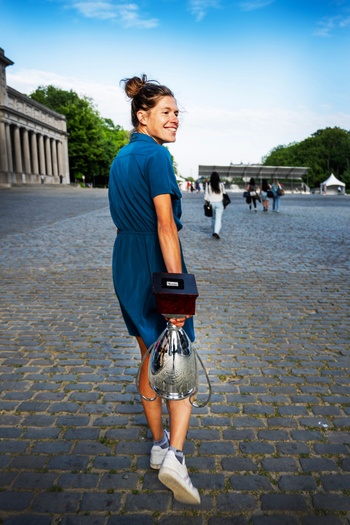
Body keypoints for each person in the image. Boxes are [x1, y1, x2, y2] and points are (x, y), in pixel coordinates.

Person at [108, 75, 200, 505]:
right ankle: (175, 457)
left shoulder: (121, 157)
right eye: (167, 111)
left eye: (177, 112)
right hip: (153, 258)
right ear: (142, 117)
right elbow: (165, 225)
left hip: (125, 259)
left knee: (148, 353)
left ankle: (158, 443)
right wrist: (177, 293)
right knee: (178, 358)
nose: (175, 119)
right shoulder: (158, 158)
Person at [204, 171, 224, 239]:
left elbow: (206, 194)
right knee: (218, 218)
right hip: (219, 202)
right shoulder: (221, 184)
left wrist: (206, 201)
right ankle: (216, 232)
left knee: (213, 217)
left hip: (211, 202)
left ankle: (214, 231)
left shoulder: (208, 184)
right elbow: (224, 193)